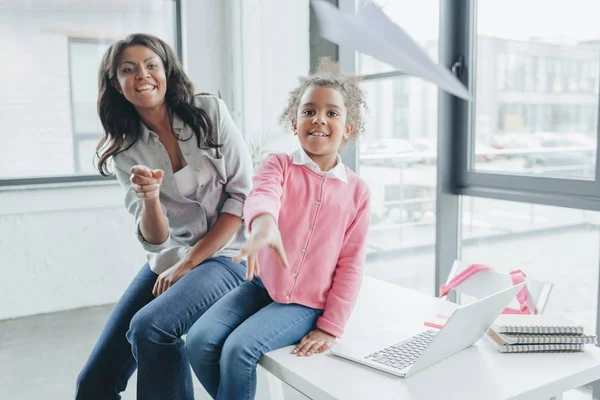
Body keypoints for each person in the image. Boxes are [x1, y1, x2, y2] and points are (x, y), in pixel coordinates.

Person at [75, 33, 253, 400]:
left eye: (151, 65)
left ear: (166, 71)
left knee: (151, 327)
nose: (143, 75)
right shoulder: (124, 149)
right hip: (171, 258)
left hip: (232, 253)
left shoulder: (210, 113)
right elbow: (155, 239)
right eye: (128, 69)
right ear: (115, 82)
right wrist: (151, 199)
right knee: (93, 384)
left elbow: (242, 196)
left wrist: (189, 263)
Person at [185, 58, 371, 400]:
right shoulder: (278, 165)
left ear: (348, 128)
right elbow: (263, 196)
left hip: (307, 304)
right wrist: (264, 225)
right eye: (309, 110)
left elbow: (351, 263)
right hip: (262, 287)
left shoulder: (358, 191)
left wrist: (330, 327)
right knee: (198, 341)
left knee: (238, 350)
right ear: (294, 120)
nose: (319, 118)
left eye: (332, 113)